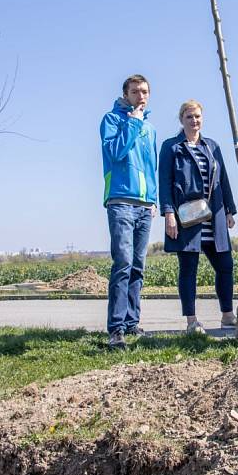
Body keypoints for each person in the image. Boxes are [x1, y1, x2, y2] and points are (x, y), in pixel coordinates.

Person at [159, 100, 237, 334]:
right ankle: (192, 321)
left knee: (225, 265)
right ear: (181, 120)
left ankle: (227, 315)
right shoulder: (171, 146)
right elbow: (164, 181)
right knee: (189, 269)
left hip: (214, 216)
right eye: (189, 117)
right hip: (187, 217)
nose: (194, 121)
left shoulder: (212, 146)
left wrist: (230, 210)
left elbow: (223, 180)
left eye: (198, 117)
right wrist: (168, 213)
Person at [100, 74, 157, 350]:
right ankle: (116, 329)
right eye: (135, 91)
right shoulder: (112, 121)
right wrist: (133, 122)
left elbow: (151, 166)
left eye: (145, 91)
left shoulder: (151, 128)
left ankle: (133, 322)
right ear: (126, 94)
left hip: (145, 206)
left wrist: (154, 199)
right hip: (121, 201)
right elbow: (116, 153)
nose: (141, 96)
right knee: (122, 262)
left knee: (138, 266)